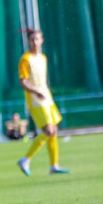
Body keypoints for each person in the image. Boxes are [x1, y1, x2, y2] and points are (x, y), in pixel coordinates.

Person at [16, 29, 70, 176]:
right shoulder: (25, 59)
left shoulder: (43, 58)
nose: (34, 42)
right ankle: (25, 159)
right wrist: (35, 91)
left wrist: (45, 92)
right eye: (32, 39)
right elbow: (23, 81)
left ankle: (54, 165)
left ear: (42, 40)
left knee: (53, 131)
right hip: (35, 100)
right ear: (28, 41)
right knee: (49, 131)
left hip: (46, 98)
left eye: (37, 39)